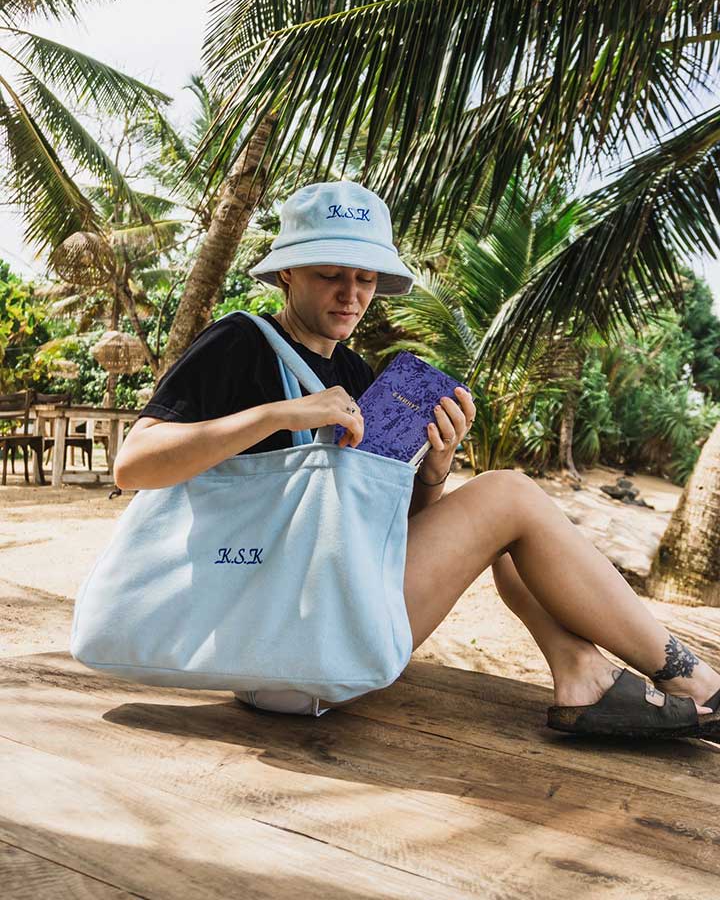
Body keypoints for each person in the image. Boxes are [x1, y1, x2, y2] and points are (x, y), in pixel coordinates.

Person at [114, 179, 720, 736]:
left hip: (320, 629)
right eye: (331, 275)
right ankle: (697, 681)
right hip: (281, 639)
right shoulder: (240, 341)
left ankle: (581, 674)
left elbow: (383, 534)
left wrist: (433, 473)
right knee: (508, 493)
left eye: (367, 279)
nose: (352, 295)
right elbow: (134, 464)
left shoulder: (354, 372)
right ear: (287, 276)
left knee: (518, 539)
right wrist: (280, 415)